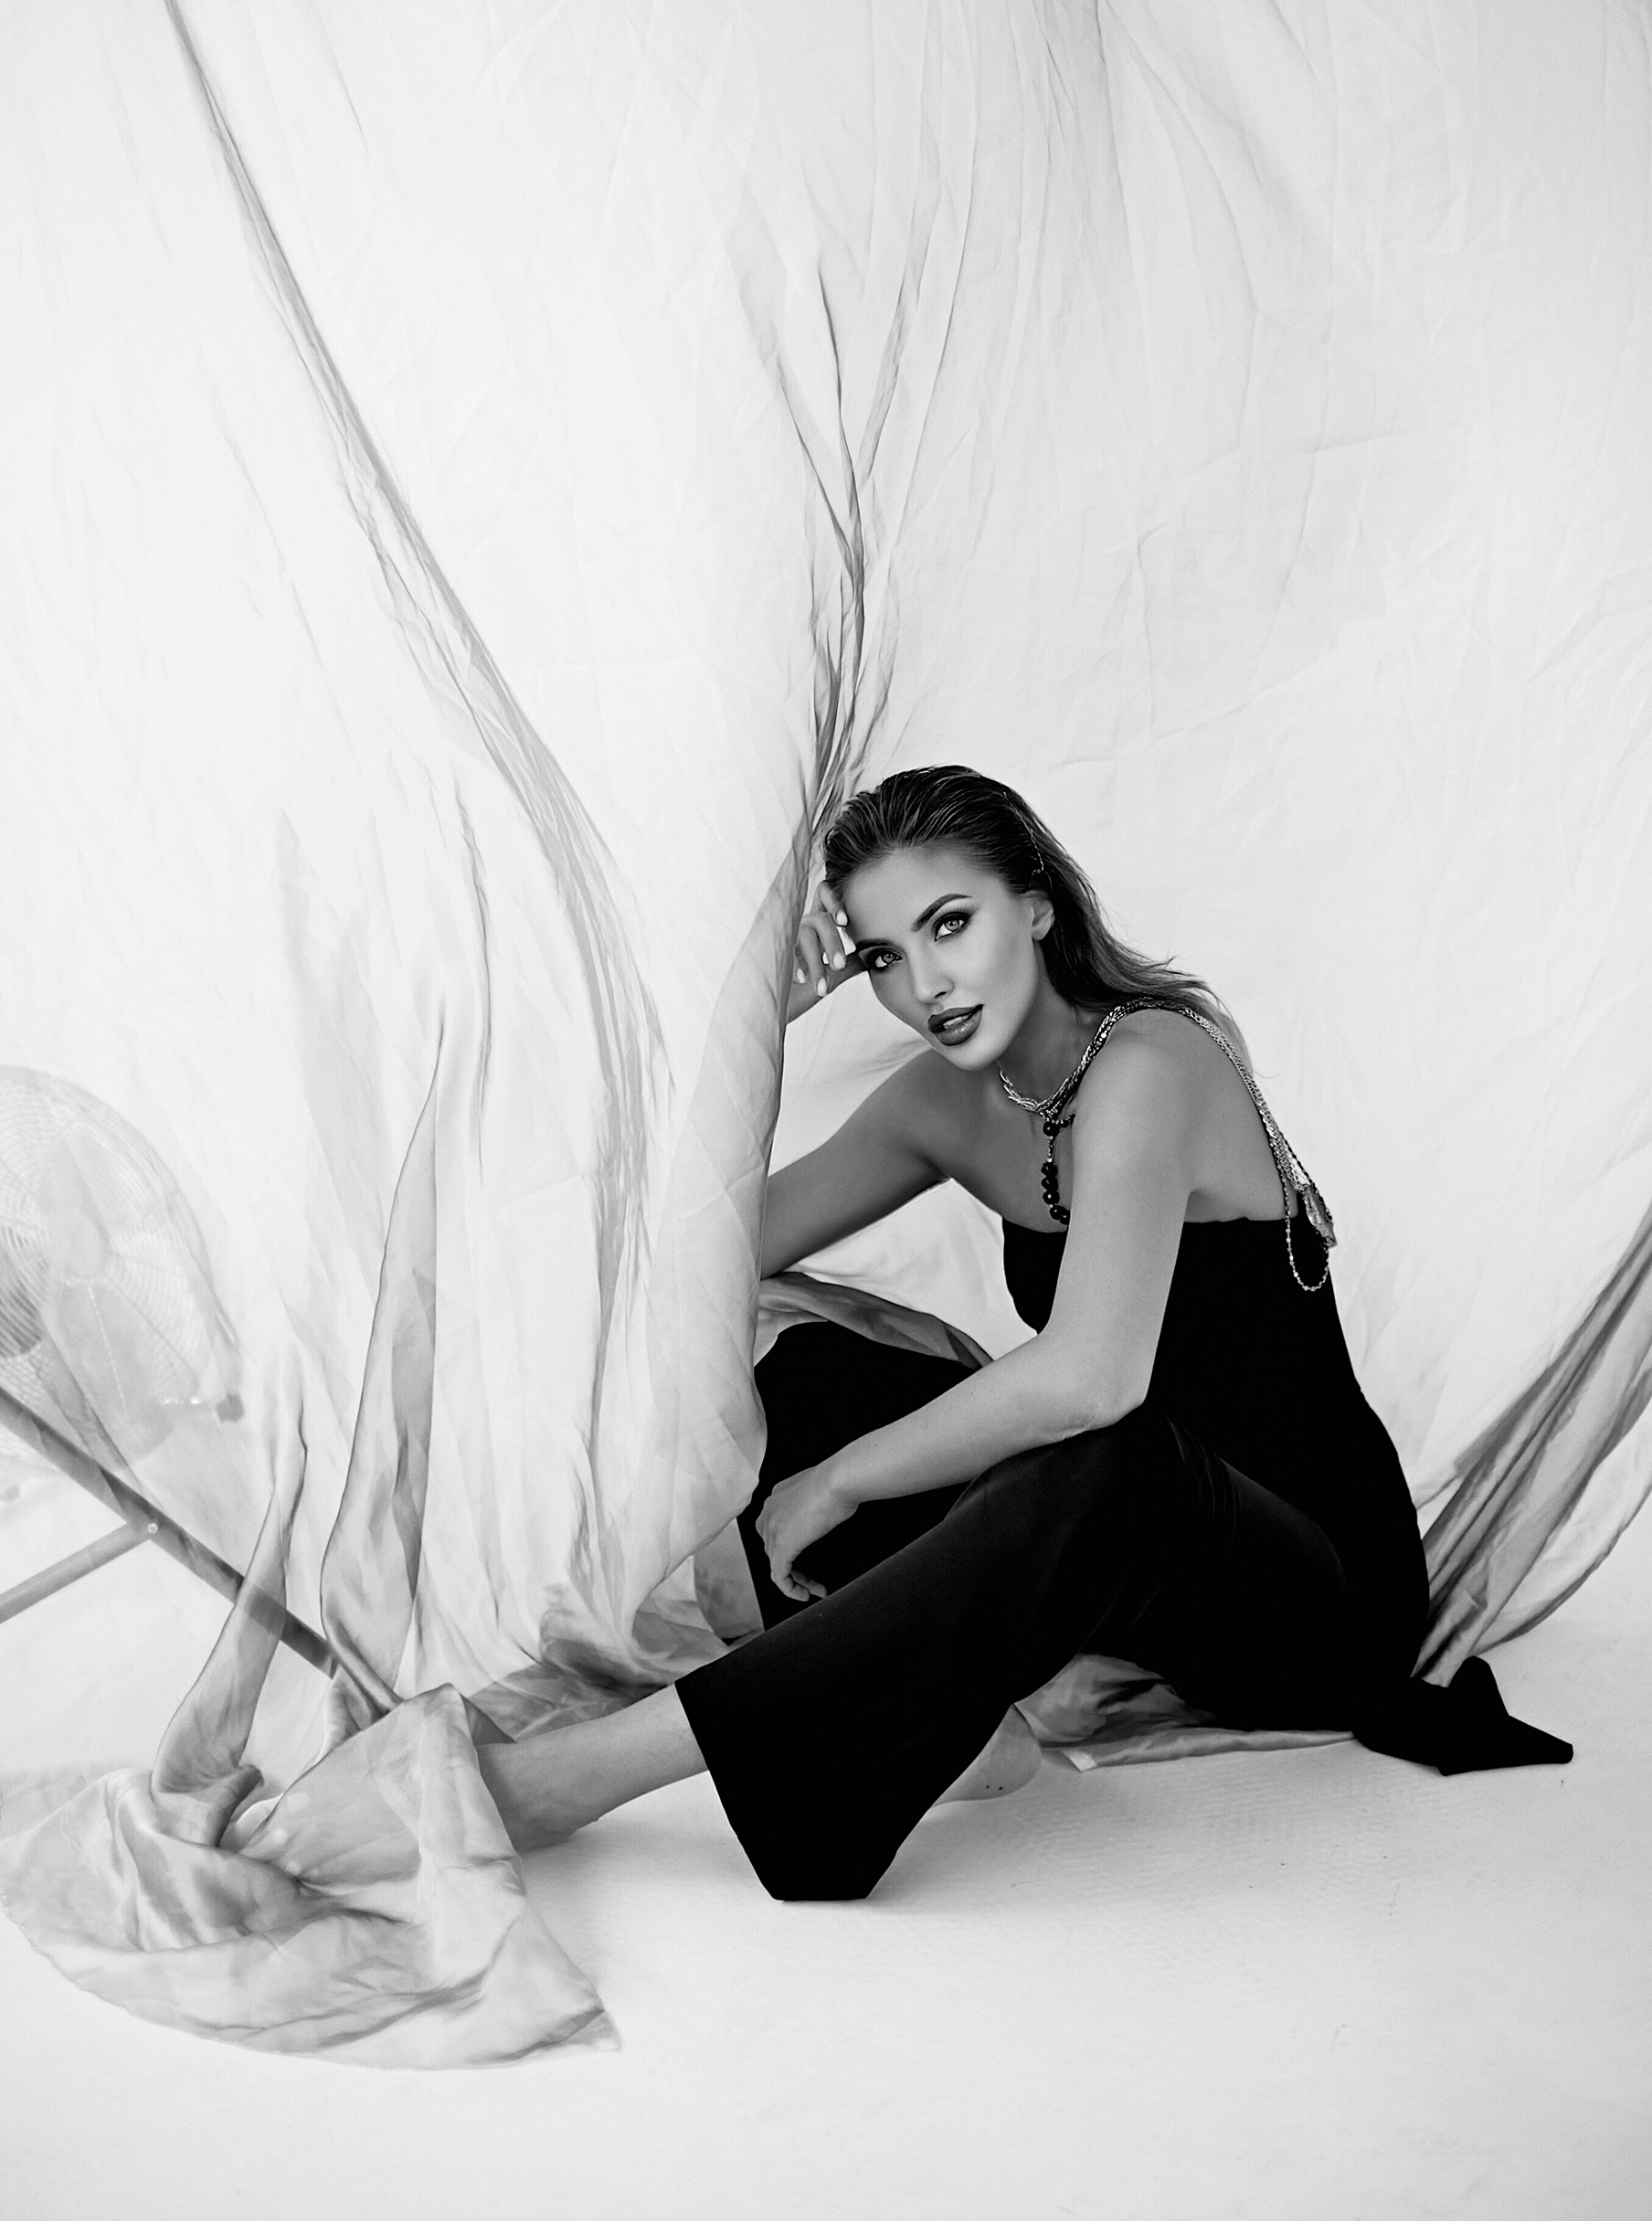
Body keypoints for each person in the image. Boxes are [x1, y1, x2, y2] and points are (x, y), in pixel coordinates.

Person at [469, 765, 1568, 1897]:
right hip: (1121, 1542)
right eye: (884, 957)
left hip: (1309, 1594)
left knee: (1106, 1452)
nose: (926, 985)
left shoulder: (1153, 1063)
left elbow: (1092, 1379)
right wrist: (755, 1024)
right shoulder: (945, 1103)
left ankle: (586, 1777)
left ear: (1036, 907)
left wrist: (839, 1483)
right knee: (806, 1374)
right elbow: (689, 1263)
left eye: (951, 924)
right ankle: (956, 1721)